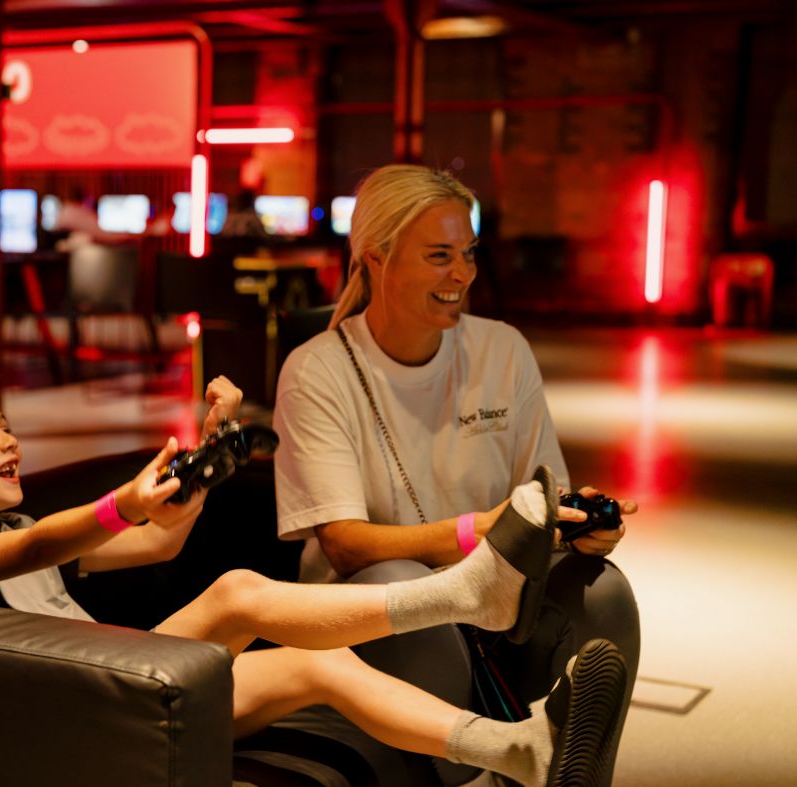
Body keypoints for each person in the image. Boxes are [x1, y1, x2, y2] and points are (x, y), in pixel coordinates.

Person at [0, 369, 629, 787]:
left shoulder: (20, 531)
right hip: (55, 714)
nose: (10, 440)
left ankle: (514, 751)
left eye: (5, 424)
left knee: (317, 664)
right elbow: (8, 559)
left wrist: (204, 460)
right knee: (235, 591)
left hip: (105, 691)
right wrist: (117, 503)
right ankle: (468, 595)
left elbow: (156, 548)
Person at [272, 164, 640, 785]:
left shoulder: (502, 350)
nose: (463, 274)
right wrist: (482, 534)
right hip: (374, 620)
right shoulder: (318, 371)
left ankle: (573, 773)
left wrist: (573, 524)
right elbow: (344, 543)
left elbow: (541, 497)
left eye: (468, 253)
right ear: (375, 258)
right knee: (397, 580)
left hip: (499, 615)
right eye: (439, 255)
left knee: (603, 590)